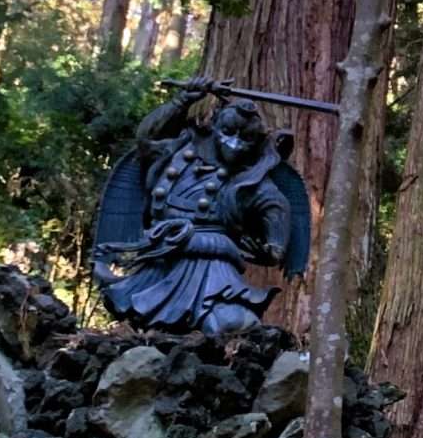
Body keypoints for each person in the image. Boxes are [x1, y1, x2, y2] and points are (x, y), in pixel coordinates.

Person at [93, 77, 296, 336]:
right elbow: (146, 140)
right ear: (215, 124)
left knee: (228, 324)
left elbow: (276, 207)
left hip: (215, 271)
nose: (234, 144)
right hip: (162, 260)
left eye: (246, 139)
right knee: (137, 309)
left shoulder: (250, 180)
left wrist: (273, 249)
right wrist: (183, 101)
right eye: (228, 132)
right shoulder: (181, 149)